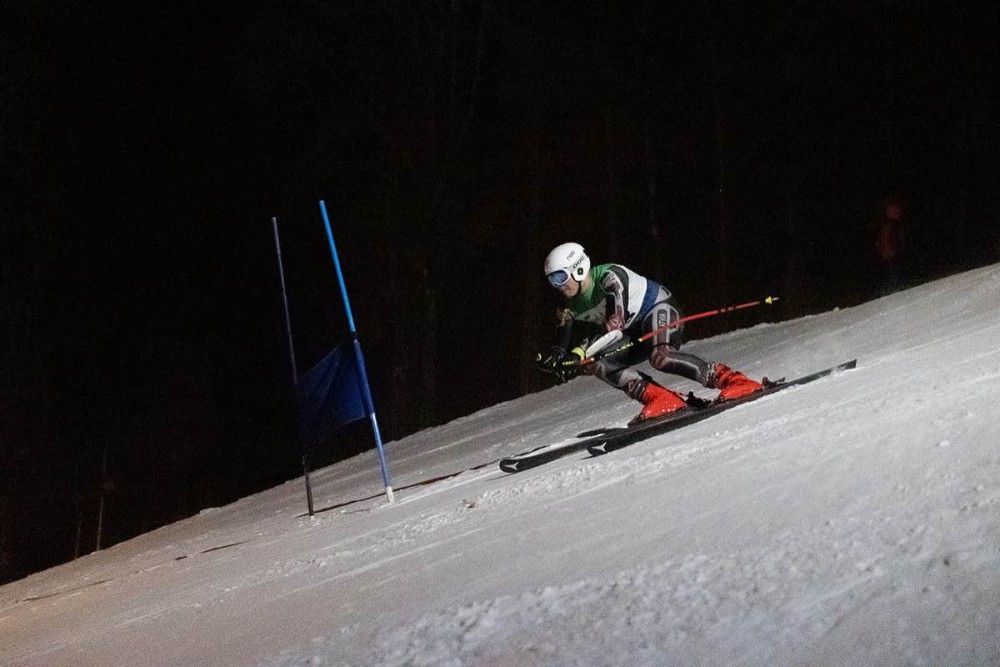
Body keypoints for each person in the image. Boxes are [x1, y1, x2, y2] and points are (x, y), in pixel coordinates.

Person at [537, 242, 763, 425]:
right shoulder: (569, 306)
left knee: (661, 357)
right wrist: (558, 358)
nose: (557, 285)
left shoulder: (610, 276)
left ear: (578, 269)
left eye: (559, 277)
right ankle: (661, 398)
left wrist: (577, 353)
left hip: (658, 308)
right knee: (597, 363)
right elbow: (565, 338)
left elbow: (615, 323)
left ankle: (734, 381)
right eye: (551, 280)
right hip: (632, 329)